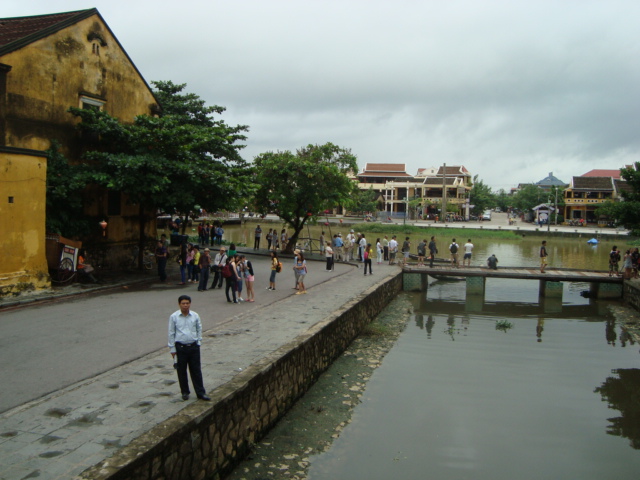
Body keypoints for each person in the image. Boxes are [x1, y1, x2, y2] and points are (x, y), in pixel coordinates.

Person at [168, 295, 210, 401]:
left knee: (196, 370)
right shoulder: (174, 317)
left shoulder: (195, 315)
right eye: (183, 303)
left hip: (193, 346)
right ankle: (185, 392)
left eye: (187, 303)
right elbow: (171, 332)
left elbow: (199, 328)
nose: (185, 305)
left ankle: (200, 392)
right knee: (181, 371)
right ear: (179, 304)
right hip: (180, 347)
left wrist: (199, 341)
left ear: (190, 304)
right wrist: (172, 349)